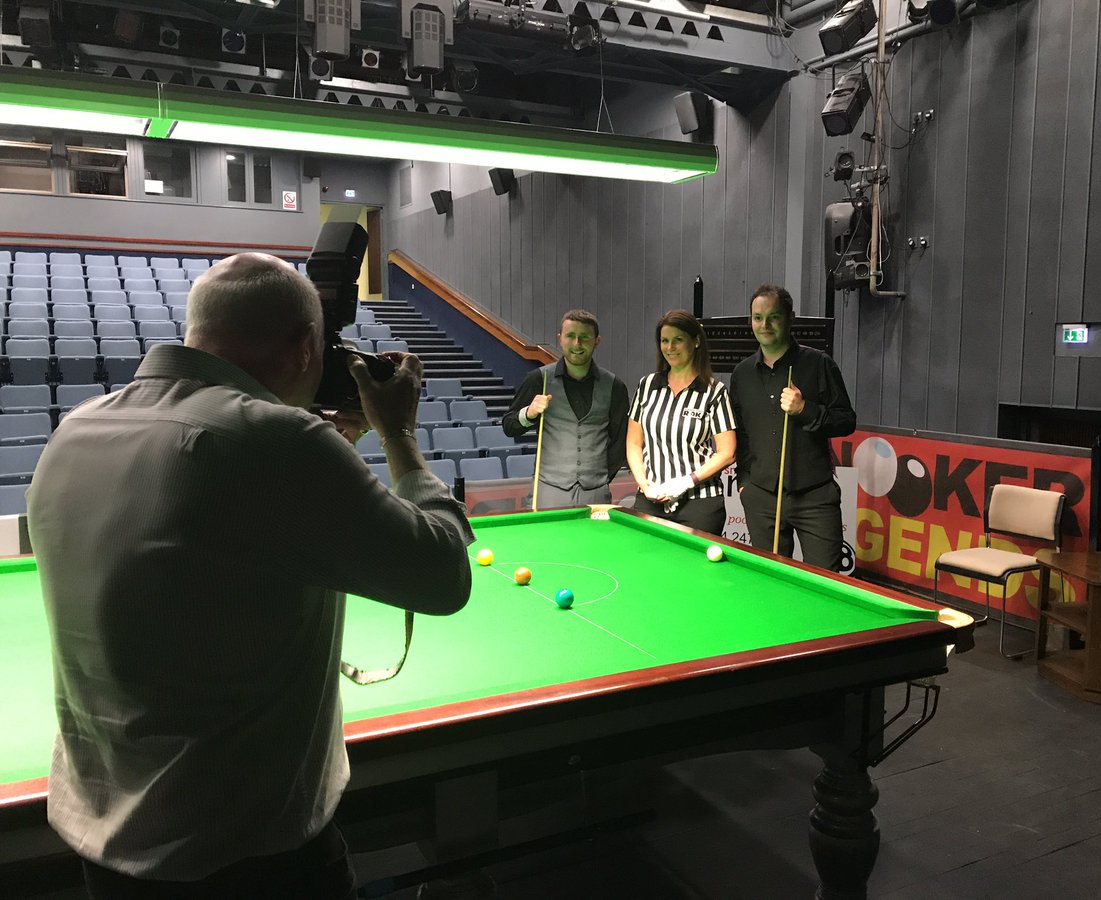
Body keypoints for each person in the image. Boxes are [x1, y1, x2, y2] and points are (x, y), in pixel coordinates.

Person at [27, 253, 474, 899]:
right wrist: (398, 434)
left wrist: (331, 452)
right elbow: (440, 576)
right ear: (304, 346)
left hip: (106, 845)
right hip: (248, 857)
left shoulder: (76, 428)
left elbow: (217, 541)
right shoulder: (278, 441)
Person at [729, 284, 856, 569]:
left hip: (815, 497)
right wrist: (744, 483)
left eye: (773, 317)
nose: (764, 325)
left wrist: (805, 409)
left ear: (790, 318)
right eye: (758, 317)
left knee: (824, 581)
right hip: (761, 497)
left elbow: (846, 420)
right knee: (770, 581)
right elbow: (742, 434)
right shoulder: (742, 374)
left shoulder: (819, 364)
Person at [501, 309, 629, 506]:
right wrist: (529, 413)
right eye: (570, 336)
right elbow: (509, 426)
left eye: (585, 337)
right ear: (560, 338)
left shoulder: (614, 386)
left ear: (597, 341)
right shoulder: (538, 379)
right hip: (548, 490)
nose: (577, 343)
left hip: (596, 492)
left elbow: (620, 441)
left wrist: (600, 478)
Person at [626, 309, 736, 535]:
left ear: (695, 342)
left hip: (700, 504)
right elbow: (634, 443)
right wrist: (644, 485)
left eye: (678, 340)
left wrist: (686, 482)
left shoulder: (714, 391)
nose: (670, 347)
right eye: (664, 341)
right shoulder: (647, 386)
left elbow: (727, 453)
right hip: (650, 500)